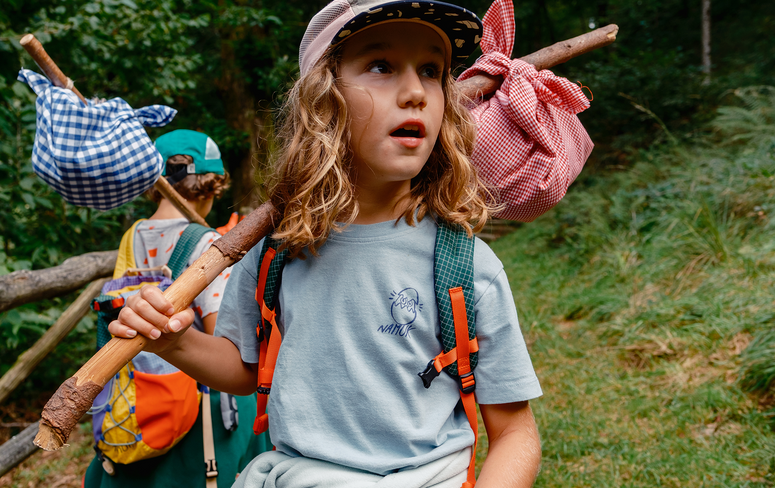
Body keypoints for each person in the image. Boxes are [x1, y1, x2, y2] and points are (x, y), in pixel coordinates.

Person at [109, 0, 595, 485]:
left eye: (431, 70)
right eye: (380, 66)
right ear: (324, 100)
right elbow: (243, 369)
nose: (414, 93)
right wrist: (175, 341)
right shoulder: (277, 251)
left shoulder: (465, 267)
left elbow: (514, 433)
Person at [84, 129, 271, 488]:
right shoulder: (207, 242)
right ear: (210, 184)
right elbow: (226, 339)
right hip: (199, 408)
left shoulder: (132, 234)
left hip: (144, 393)